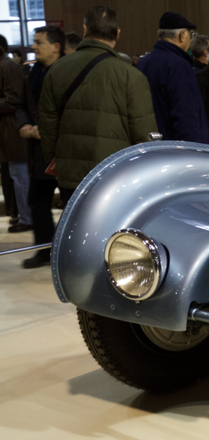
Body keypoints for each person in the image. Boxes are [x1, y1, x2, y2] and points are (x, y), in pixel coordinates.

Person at [38, 6, 157, 207]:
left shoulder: (56, 69)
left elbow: (47, 126)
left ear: (85, 30)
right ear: (117, 34)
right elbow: (144, 135)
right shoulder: (131, 76)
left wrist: (59, 162)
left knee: (75, 231)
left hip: (70, 174)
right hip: (114, 176)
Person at [15, 25, 64, 267]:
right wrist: (24, 125)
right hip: (40, 152)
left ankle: (69, 254)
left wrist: (43, 130)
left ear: (56, 47)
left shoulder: (68, 71)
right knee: (38, 202)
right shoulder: (34, 72)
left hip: (65, 152)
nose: (33, 46)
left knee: (73, 205)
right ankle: (45, 250)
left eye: (38, 42)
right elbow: (21, 103)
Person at [137, 11, 209, 144]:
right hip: (175, 150)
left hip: (149, 146)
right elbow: (186, 116)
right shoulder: (179, 65)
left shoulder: (143, 62)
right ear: (182, 35)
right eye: (190, 35)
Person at [0, 34, 31, 233]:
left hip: (13, 129)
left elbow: (13, 99)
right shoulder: (4, 65)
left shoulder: (8, 66)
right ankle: (23, 214)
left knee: (19, 175)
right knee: (15, 175)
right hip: (7, 129)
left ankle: (27, 217)